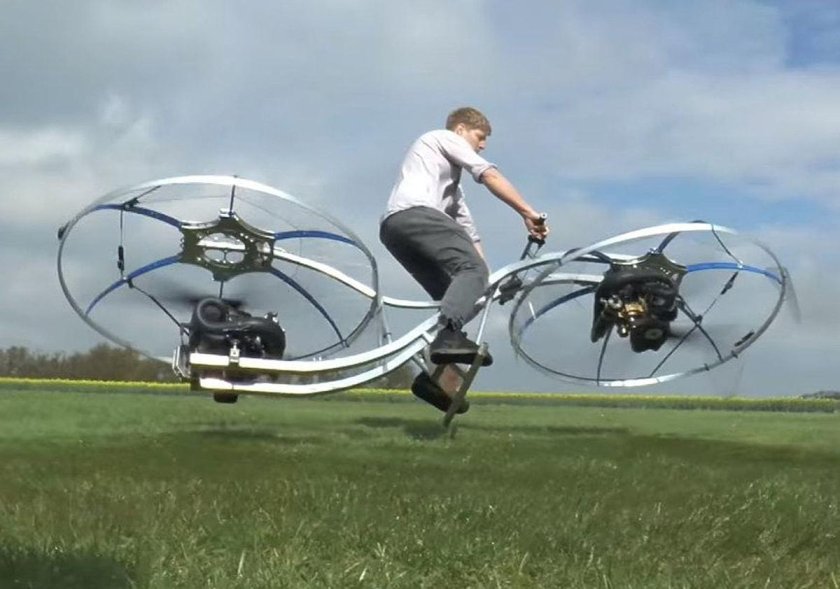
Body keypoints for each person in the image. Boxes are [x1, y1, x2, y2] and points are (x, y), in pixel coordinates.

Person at [380, 107, 549, 411]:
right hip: (415, 215)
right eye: (480, 137)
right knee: (465, 286)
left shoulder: (451, 190)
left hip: (396, 231)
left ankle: (435, 381)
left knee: (464, 296)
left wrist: (490, 283)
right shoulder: (441, 137)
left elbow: (472, 240)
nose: (483, 145)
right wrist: (528, 212)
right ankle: (446, 342)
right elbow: (488, 173)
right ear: (461, 130)